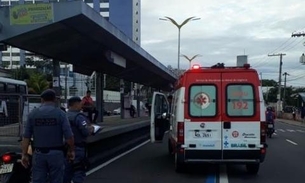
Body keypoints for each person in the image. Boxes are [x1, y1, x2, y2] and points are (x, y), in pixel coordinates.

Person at [21, 89, 75, 183]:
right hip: (56, 154)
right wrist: (71, 150)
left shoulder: (32, 114)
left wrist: (24, 154)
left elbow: (26, 137)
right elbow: (69, 136)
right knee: (57, 180)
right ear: (54, 100)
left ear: (42, 100)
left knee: (38, 180)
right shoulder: (61, 114)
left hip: (38, 154)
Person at [64, 96, 95, 183]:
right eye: (80, 103)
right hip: (78, 148)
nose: (81, 105)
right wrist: (91, 129)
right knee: (78, 172)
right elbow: (85, 132)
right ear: (76, 104)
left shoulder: (63, 116)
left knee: (66, 173)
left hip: (65, 149)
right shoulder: (79, 117)